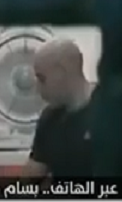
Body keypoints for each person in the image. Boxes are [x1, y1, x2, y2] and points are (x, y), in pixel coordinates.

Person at [21, 39, 95, 179]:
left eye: (42, 79)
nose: (37, 88)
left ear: (62, 72)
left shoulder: (111, 114)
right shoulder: (49, 118)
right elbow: (31, 175)